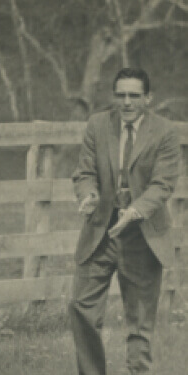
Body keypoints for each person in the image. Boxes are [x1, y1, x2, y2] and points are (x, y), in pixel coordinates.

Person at [69, 67, 181, 375]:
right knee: (81, 308)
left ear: (148, 97)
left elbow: (163, 184)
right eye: (121, 95)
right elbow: (85, 172)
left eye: (134, 95)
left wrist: (134, 211)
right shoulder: (98, 125)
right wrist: (88, 195)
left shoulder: (165, 131)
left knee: (140, 323)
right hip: (100, 233)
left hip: (142, 236)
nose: (127, 102)